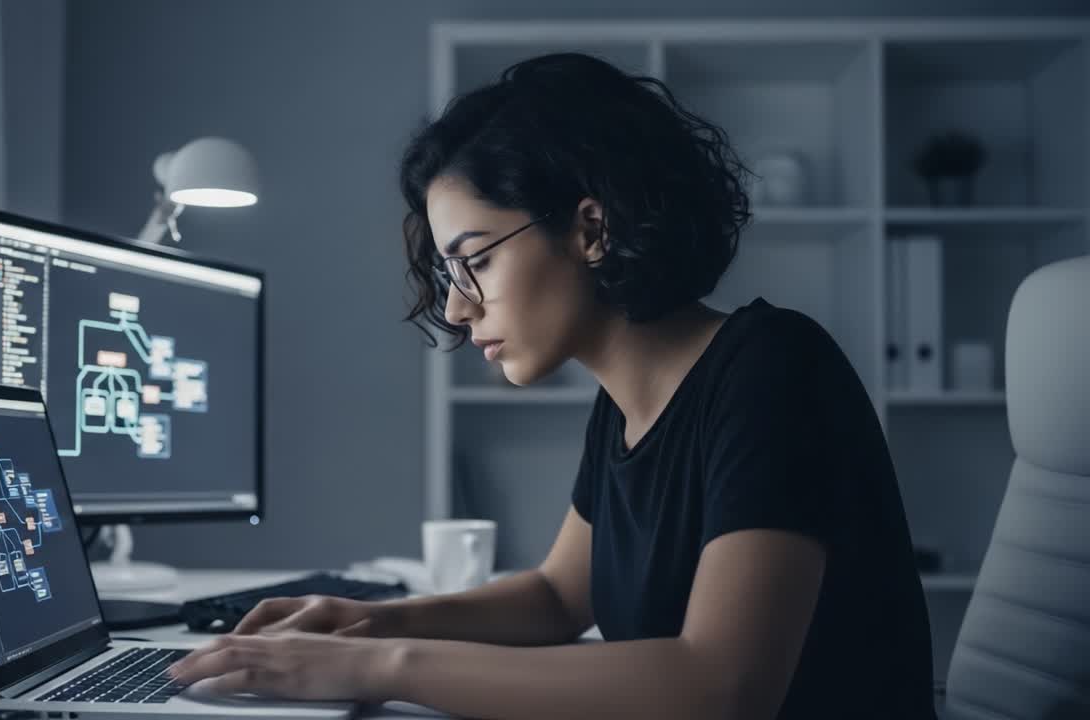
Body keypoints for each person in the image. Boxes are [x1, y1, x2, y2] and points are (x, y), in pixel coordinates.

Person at [168, 53, 937, 719]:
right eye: (448, 273)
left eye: (478, 261)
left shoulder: (772, 369)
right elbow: (556, 599)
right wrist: (367, 623)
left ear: (591, 229)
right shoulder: (623, 408)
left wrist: (376, 666)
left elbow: (720, 689)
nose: (458, 307)